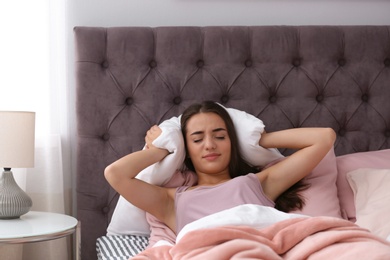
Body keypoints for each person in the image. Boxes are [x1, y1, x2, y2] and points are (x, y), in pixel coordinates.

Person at [104, 101, 336, 235]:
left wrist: (259, 140)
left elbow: (324, 138)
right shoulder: (171, 201)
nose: (210, 145)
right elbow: (115, 174)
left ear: (232, 142)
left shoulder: (258, 183)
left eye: (220, 136)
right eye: (197, 140)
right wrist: (164, 148)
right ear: (187, 150)